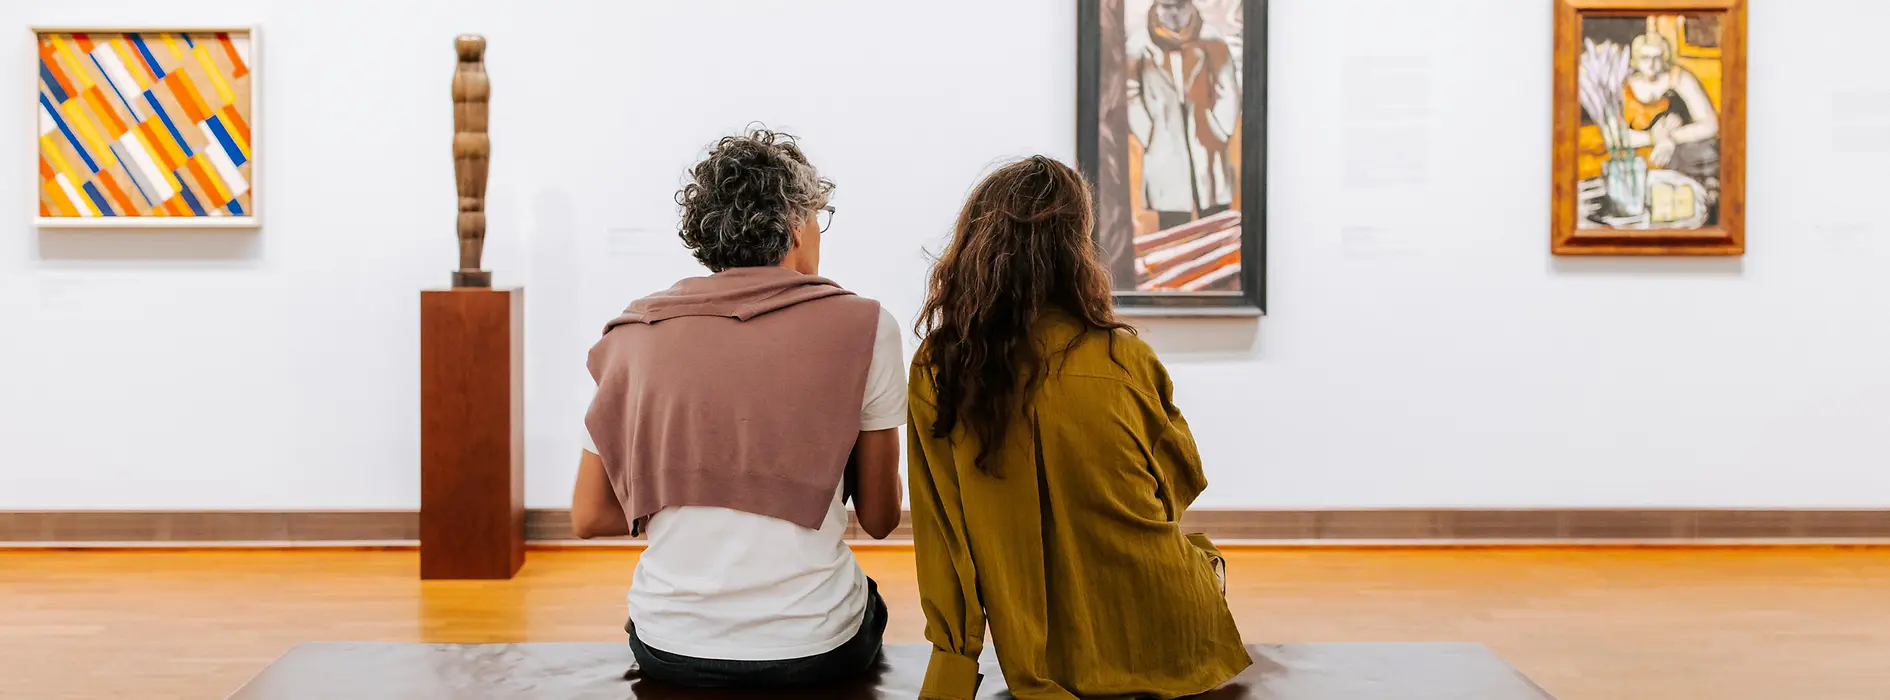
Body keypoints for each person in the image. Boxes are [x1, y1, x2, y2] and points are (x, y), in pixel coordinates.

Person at [569, 128, 905, 689]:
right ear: (797, 226)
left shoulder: (633, 334)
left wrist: (685, 491)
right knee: (866, 601)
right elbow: (880, 518)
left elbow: (589, 516)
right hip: (814, 648)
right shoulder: (868, 326)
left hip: (668, 645)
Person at [907, 156, 1250, 699]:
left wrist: (952, 667)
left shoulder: (941, 368)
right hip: (1175, 639)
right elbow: (1176, 492)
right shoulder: (1124, 357)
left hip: (1041, 663)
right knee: (1201, 555)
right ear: (1078, 252)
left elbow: (943, 535)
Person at [1127, 0, 1241, 232]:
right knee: (1173, 225)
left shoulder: (1212, 39)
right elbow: (1130, 93)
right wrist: (1148, 132)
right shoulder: (1139, 44)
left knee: (1215, 222)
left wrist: (1219, 128)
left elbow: (1227, 89)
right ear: (1156, 7)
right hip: (1164, 146)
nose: (1174, 14)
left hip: (1207, 142)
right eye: (1167, 7)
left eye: (1180, 6)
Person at [1622, 30, 1720, 222]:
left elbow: (1710, 125)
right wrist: (1655, 137)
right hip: (1640, 161)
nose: (1651, 64)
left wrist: (1671, 139)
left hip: (1686, 159)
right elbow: (1615, 136)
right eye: (1645, 57)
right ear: (1636, 58)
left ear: (1665, 57)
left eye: (1657, 57)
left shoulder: (1680, 79)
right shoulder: (1625, 85)